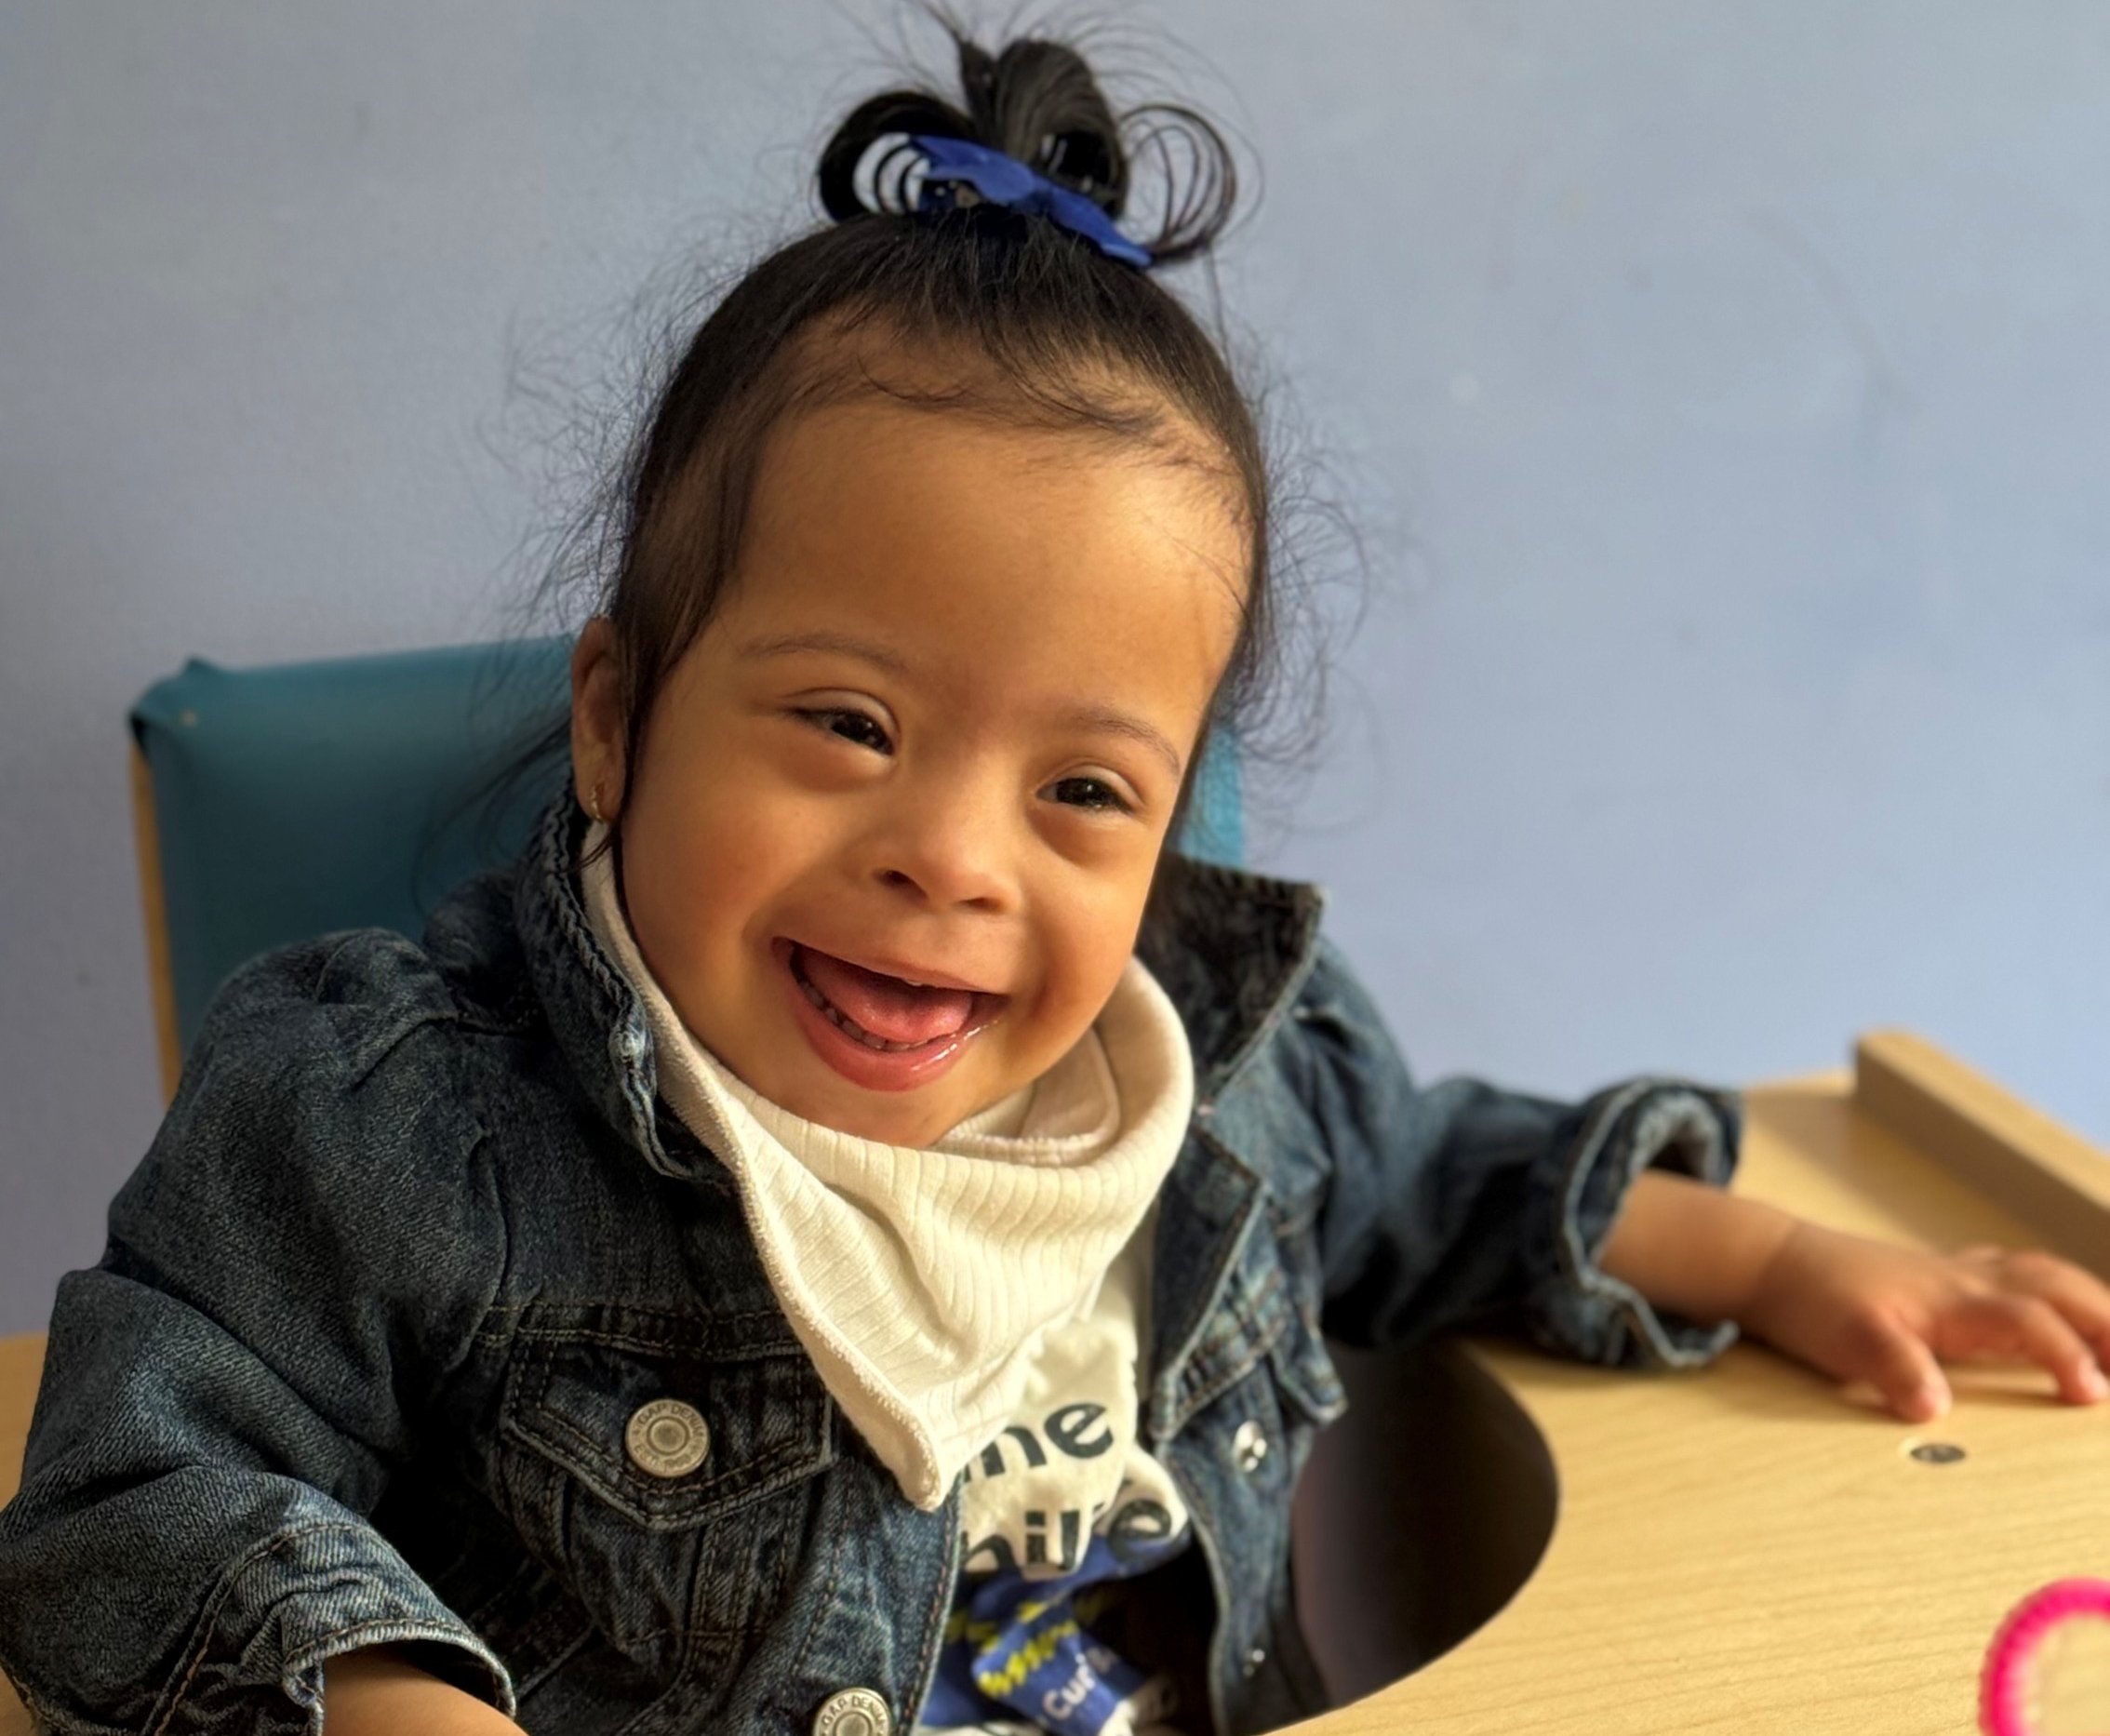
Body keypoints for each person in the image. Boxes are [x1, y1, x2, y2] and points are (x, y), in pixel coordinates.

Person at [6, 19, 2110, 1736]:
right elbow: (133, 1473)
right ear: (618, 718)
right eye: (846, 726)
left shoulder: (1223, 1086)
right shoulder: (392, 1116)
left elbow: (1445, 1180)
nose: (950, 856)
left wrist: (1786, 1267)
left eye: (1086, 792)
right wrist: (387, 1704)